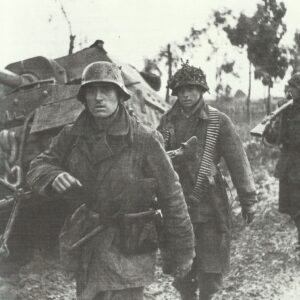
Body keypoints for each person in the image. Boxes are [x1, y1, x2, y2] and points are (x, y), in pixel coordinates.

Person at [26, 61, 195, 300]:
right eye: (91, 91)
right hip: (86, 245)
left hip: (127, 249)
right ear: (84, 98)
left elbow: (172, 195)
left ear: (120, 95)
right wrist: (53, 175)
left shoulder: (144, 139)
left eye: (106, 90)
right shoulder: (71, 135)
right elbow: (37, 166)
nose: (98, 98)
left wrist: (183, 251)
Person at [158, 62, 257, 300]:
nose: (186, 94)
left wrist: (248, 199)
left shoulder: (217, 121)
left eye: (191, 88)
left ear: (202, 90)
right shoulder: (168, 122)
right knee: (182, 266)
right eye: (181, 89)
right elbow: (156, 158)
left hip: (210, 203)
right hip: (176, 203)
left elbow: (238, 162)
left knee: (210, 267)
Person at [264, 72, 300, 250]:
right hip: (288, 163)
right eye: (290, 87)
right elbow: (276, 139)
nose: (290, 91)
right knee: (292, 205)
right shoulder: (287, 109)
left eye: (294, 87)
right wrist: (269, 126)